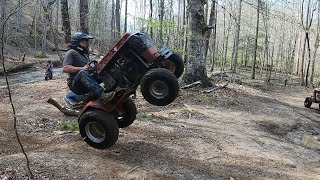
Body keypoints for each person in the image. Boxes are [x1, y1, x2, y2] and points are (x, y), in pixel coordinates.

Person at [63, 32, 115, 104]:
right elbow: (65, 68)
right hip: (75, 84)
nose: (85, 43)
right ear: (76, 41)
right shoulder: (71, 52)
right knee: (83, 73)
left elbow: (87, 68)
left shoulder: (84, 54)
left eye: (86, 41)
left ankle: (114, 88)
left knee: (103, 71)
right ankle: (102, 95)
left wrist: (94, 68)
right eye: (83, 41)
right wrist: (81, 68)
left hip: (86, 81)